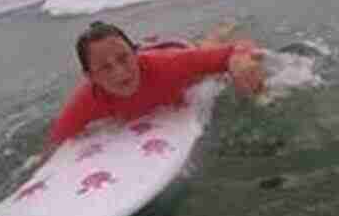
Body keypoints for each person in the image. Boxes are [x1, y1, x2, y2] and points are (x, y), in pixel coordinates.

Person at [45, 20, 265, 151]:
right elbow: (56, 143)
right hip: (158, 52)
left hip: (177, 50)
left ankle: (222, 28)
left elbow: (237, 50)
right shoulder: (88, 98)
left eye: (124, 58)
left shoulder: (169, 64)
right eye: (105, 68)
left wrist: (241, 63)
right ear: (90, 76)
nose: (120, 73)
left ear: (135, 53)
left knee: (210, 46)